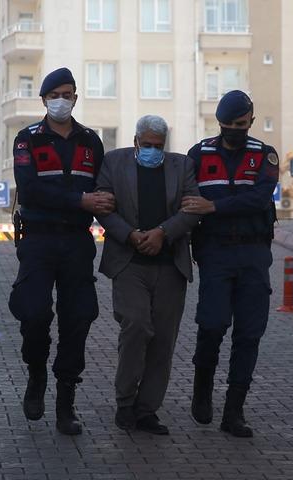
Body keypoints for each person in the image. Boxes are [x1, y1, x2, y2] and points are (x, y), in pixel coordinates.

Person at [8, 67, 114, 435]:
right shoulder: (28, 140)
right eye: (55, 95)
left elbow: (104, 191)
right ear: (44, 100)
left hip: (76, 241)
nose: (62, 101)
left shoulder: (90, 141)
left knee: (79, 318)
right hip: (38, 240)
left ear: (75, 98)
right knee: (34, 313)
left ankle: (65, 399)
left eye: (68, 94)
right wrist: (80, 200)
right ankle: (37, 372)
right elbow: (31, 189)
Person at [181, 90, 279, 438]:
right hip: (215, 252)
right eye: (227, 125)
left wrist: (216, 206)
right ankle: (202, 390)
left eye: (240, 125)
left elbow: (259, 198)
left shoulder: (264, 155)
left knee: (249, 334)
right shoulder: (199, 154)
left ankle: (234, 411)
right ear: (219, 123)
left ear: (251, 120)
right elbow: (189, 200)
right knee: (212, 324)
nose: (234, 131)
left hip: (253, 253)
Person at [96, 115, 200, 435]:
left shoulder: (181, 166)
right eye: (148, 145)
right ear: (136, 140)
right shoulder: (114, 163)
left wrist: (162, 233)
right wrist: (129, 235)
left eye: (159, 146)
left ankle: (147, 410)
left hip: (170, 266)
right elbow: (103, 207)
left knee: (162, 342)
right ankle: (125, 401)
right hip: (129, 263)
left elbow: (191, 209)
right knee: (137, 326)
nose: (154, 151)